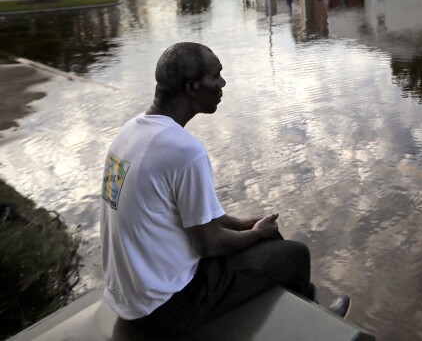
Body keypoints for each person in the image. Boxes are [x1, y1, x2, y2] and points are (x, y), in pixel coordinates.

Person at [100, 42, 349, 335]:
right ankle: (317, 328)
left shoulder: (130, 134)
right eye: (216, 76)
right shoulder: (183, 150)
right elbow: (210, 244)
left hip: (129, 298)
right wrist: (255, 234)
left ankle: (305, 307)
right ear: (192, 87)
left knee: (265, 239)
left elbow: (190, 214)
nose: (222, 83)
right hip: (166, 307)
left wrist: (244, 225)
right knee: (294, 255)